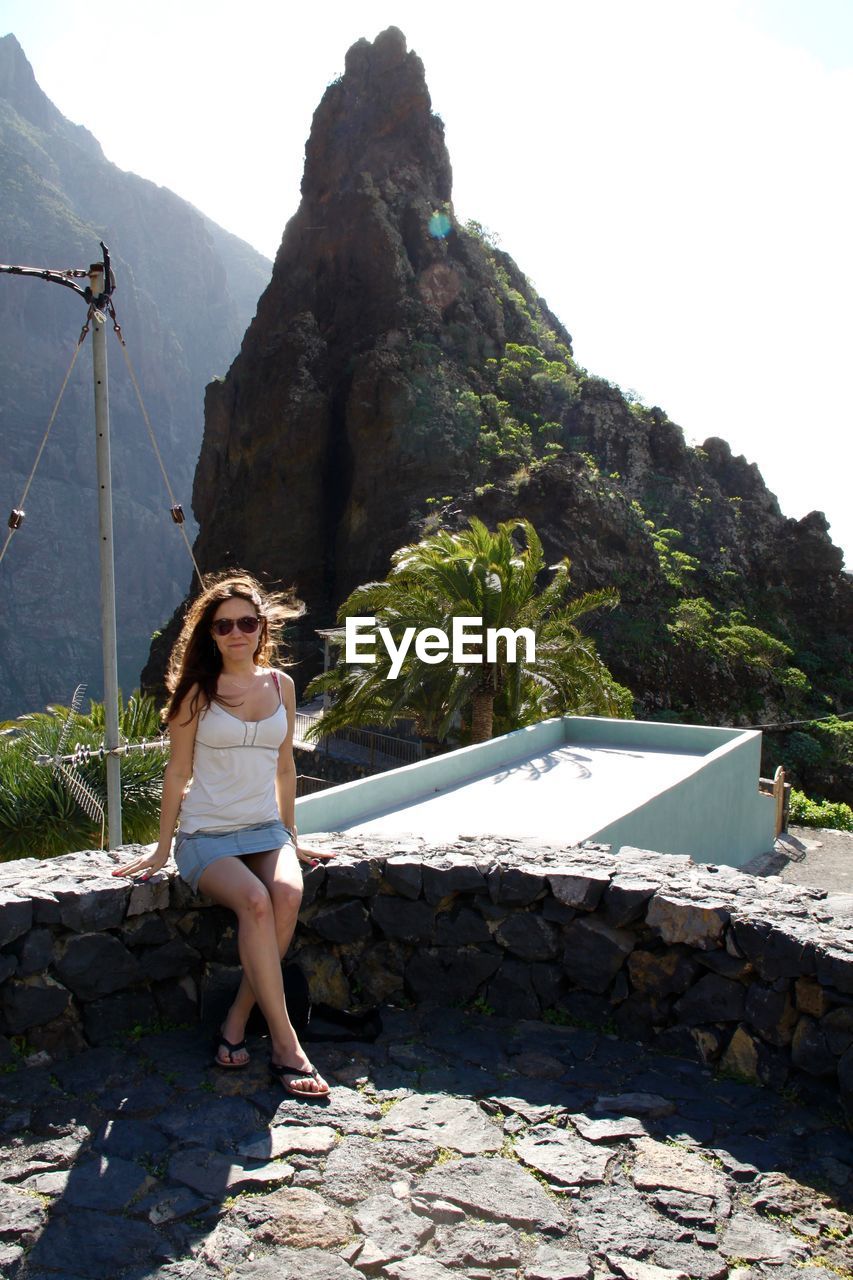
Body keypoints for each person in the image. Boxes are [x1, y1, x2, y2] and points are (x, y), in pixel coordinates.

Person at [114, 571, 332, 1098]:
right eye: (223, 625)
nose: (236, 632)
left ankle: (236, 1019)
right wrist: (164, 847)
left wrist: (292, 835)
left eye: (247, 622)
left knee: (287, 893)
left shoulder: (282, 685)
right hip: (206, 835)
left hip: (266, 830)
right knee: (255, 901)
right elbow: (177, 773)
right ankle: (285, 1045)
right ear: (210, 634)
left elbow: (284, 769)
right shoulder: (197, 693)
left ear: (262, 628)